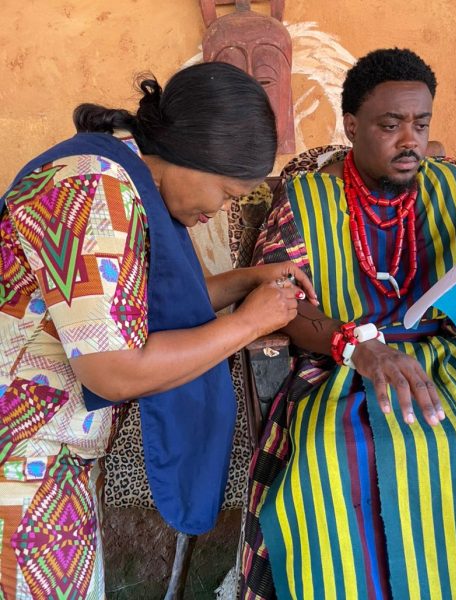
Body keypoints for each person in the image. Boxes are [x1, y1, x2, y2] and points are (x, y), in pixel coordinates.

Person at [241, 48, 456, 599]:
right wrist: (354, 345)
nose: (409, 140)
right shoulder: (304, 198)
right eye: (390, 125)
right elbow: (281, 300)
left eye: (421, 124)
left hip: (450, 358)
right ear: (351, 126)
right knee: (334, 455)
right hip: (339, 363)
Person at [0, 61, 318, 598]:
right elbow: (115, 370)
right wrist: (249, 323)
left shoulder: (119, 175)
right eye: (227, 193)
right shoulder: (94, 192)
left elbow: (121, 313)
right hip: (20, 459)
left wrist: (247, 281)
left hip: (46, 454)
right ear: (195, 156)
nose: (219, 211)